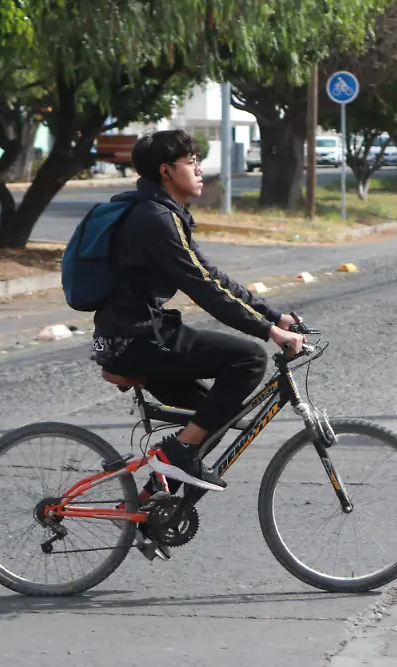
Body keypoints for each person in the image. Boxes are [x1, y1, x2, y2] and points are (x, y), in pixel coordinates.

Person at [90, 129, 305, 558]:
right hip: (135, 340)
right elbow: (203, 290)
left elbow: (213, 278)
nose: (200, 170)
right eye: (191, 162)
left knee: (212, 418)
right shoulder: (153, 219)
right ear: (166, 171)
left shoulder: (165, 213)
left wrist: (273, 314)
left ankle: (149, 506)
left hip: (140, 335)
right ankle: (177, 454)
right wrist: (269, 334)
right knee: (246, 360)